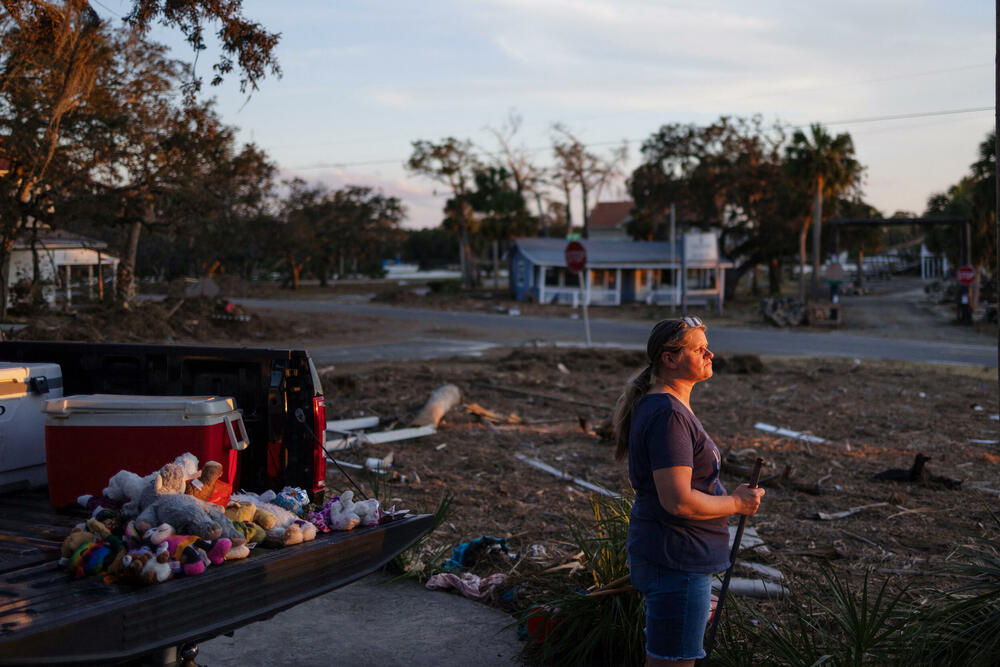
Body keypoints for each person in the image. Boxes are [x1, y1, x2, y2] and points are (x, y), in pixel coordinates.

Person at [612, 316, 764, 667]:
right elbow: (678, 500)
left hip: (676, 557)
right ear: (669, 358)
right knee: (672, 662)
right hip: (676, 560)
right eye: (699, 349)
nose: (710, 353)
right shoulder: (668, 415)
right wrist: (738, 503)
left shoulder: (667, 407)